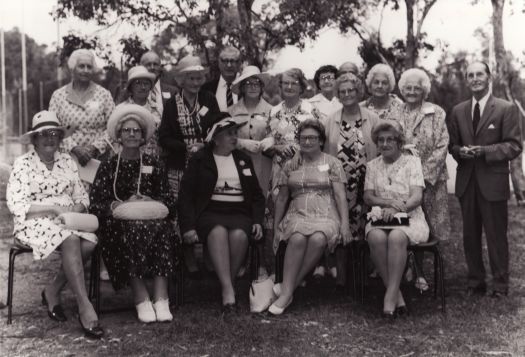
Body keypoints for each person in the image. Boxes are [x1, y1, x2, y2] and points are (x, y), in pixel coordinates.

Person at [6, 111, 103, 338]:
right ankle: (84, 306)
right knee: (70, 238)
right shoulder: (23, 164)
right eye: (43, 134)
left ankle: (52, 291)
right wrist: (54, 209)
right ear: (34, 139)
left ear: (60, 138)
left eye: (54, 134)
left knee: (89, 244)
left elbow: (82, 197)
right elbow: (16, 204)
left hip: (67, 221)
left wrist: (74, 211)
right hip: (33, 222)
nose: (50, 138)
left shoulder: (67, 162)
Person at [90, 103, 177, 323]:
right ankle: (141, 297)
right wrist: (118, 206)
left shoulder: (153, 164)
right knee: (132, 228)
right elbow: (96, 204)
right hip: (118, 225)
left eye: (136, 130)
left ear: (143, 136)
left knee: (163, 227)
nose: (131, 134)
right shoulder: (108, 166)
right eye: (126, 130)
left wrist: (151, 200)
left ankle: (161, 296)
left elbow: (169, 201)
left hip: (153, 220)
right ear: (118, 135)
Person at [447, 61, 522, 298]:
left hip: (493, 182)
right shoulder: (458, 110)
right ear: (467, 80)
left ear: (489, 77)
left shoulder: (505, 108)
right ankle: (475, 282)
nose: (475, 78)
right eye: (471, 75)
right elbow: (453, 145)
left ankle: (500, 285)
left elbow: (514, 146)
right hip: (467, 182)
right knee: (470, 235)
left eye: (480, 74)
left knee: (496, 236)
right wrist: (460, 152)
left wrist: (485, 152)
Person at [177, 114, 265, 310]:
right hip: (210, 212)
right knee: (217, 232)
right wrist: (188, 227)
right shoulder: (200, 159)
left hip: (239, 212)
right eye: (228, 134)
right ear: (215, 138)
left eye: (235, 133)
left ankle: (228, 283)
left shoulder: (243, 159)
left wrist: (257, 220)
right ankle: (228, 290)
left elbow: (257, 196)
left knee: (240, 235)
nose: (234, 137)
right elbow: (186, 196)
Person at [270, 119, 350, 315]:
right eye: (303, 138)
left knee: (318, 238)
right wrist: (275, 227)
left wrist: (345, 225)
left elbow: (340, 196)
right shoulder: (290, 165)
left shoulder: (333, 163)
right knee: (296, 238)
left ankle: (286, 291)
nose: (307, 142)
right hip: (297, 213)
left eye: (312, 138)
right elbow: (281, 199)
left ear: (321, 141)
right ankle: (288, 292)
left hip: (326, 213)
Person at [158, 54, 221, 276]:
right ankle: (187, 254)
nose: (196, 83)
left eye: (199, 78)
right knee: (182, 209)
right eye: (191, 78)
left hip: (205, 164)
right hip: (179, 167)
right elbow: (163, 137)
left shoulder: (209, 99)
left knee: (206, 205)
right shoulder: (171, 104)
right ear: (181, 80)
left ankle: (211, 254)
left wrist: (204, 144)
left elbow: (217, 127)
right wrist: (186, 147)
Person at [364, 121, 429, 318]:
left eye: (390, 139)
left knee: (396, 237)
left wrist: (397, 208)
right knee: (375, 237)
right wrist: (389, 205)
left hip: (411, 217)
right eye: (380, 140)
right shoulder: (372, 166)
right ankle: (397, 294)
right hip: (381, 217)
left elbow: (417, 197)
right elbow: (368, 197)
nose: (384, 144)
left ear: (399, 142)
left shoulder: (412, 162)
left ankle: (389, 297)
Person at [324, 73, 381, 288]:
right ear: (338, 95)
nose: (347, 94)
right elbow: (324, 151)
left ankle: (363, 273)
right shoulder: (331, 119)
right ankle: (341, 275)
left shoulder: (372, 118)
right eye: (343, 91)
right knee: (342, 223)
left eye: (351, 90)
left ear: (358, 92)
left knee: (365, 223)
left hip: (366, 181)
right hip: (340, 182)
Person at [397, 68, 450, 290]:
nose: (411, 91)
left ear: (424, 91)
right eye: (407, 88)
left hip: (431, 181)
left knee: (428, 227)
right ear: (401, 89)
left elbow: (442, 145)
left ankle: (421, 272)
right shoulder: (395, 111)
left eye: (416, 88)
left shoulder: (436, 112)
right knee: (405, 224)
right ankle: (404, 269)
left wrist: (423, 178)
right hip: (401, 181)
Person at [265, 68, 320, 236]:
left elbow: (319, 141)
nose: (289, 87)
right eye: (285, 83)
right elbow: (267, 146)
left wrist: (299, 150)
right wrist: (278, 148)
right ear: (280, 86)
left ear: (301, 86)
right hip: (278, 171)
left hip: (305, 168)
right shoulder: (273, 111)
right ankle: (277, 257)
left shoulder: (310, 109)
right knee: (277, 218)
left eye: (294, 83)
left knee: (302, 216)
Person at [49, 49, 114, 166]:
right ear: (73, 68)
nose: (86, 70)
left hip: (98, 160)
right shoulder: (58, 96)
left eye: (89, 67)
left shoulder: (104, 94)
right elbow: (53, 128)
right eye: (81, 66)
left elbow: (113, 127)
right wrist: (74, 148)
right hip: (67, 160)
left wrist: (95, 148)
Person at [228, 65, 273, 197]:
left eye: (256, 83)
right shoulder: (230, 112)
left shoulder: (273, 111)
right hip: (237, 164)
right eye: (248, 83)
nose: (253, 87)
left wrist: (271, 140)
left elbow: (278, 136)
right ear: (242, 87)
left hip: (264, 166)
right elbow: (222, 139)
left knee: (262, 200)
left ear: (261, 87)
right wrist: (240, 142)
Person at [118, 65, 162, 157]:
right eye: (138, 83)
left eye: (146, 83)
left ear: (150, 87)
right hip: (127, 158)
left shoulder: (158, 109)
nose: (142, 87)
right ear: (131, 87)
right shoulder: (121, 109)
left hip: (152, 159)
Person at [140, 51, 179, 117]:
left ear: (160, 67)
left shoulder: (173, 91)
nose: (152, 67)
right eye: (148, 64)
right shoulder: (133, 92)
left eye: (155, 64)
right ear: (142, 67)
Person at [202, 46, 241, 111]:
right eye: (225, 61)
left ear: (239, 63)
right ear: (219, 63)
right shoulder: (207, 89)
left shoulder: (246, 86)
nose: (229, 65)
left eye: (232, 61)